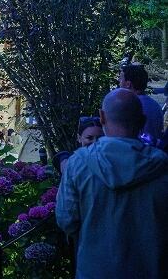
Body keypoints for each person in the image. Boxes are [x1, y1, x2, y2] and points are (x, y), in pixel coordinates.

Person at [56, 88, 168, 279]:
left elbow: (66, 220)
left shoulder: (78, 164)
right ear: (142, 120)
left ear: (102, 117)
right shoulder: (163, 167)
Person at [119, 63, 165, 145]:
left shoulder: (131, 106)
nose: (119, 82)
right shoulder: (155, 105)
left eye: (120, 79)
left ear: (128, 84)